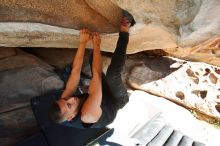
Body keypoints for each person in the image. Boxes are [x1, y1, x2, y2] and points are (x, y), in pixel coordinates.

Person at [48, 15, 135, 129]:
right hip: (115, 101)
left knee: (92, 59)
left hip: (101, 95)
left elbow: (75, 72)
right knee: (112, 75)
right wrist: (96, 44)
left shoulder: (65, 102)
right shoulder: (88, 115)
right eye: (69, 105)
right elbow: (97, 76)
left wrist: (83, 43)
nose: (71, 98)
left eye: (65, 99)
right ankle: (124, 31)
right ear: (71, 117)